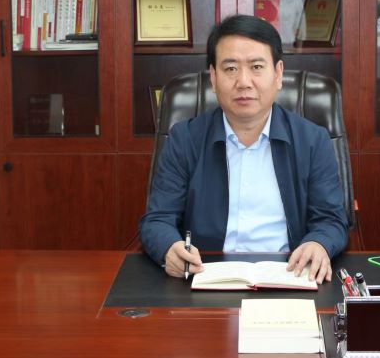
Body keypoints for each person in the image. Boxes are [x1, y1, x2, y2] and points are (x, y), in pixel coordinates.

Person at [139, 14, 349, 283]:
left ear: (278, 74)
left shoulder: (312, 141)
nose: (244, 82)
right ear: (213, 77)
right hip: (205, 277)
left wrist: (319, 243)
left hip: (289, 277)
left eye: (257, 67)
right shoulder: (185, 139)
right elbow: (157, 220)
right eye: (230, 69)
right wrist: (170, 247)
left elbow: (332, 220)